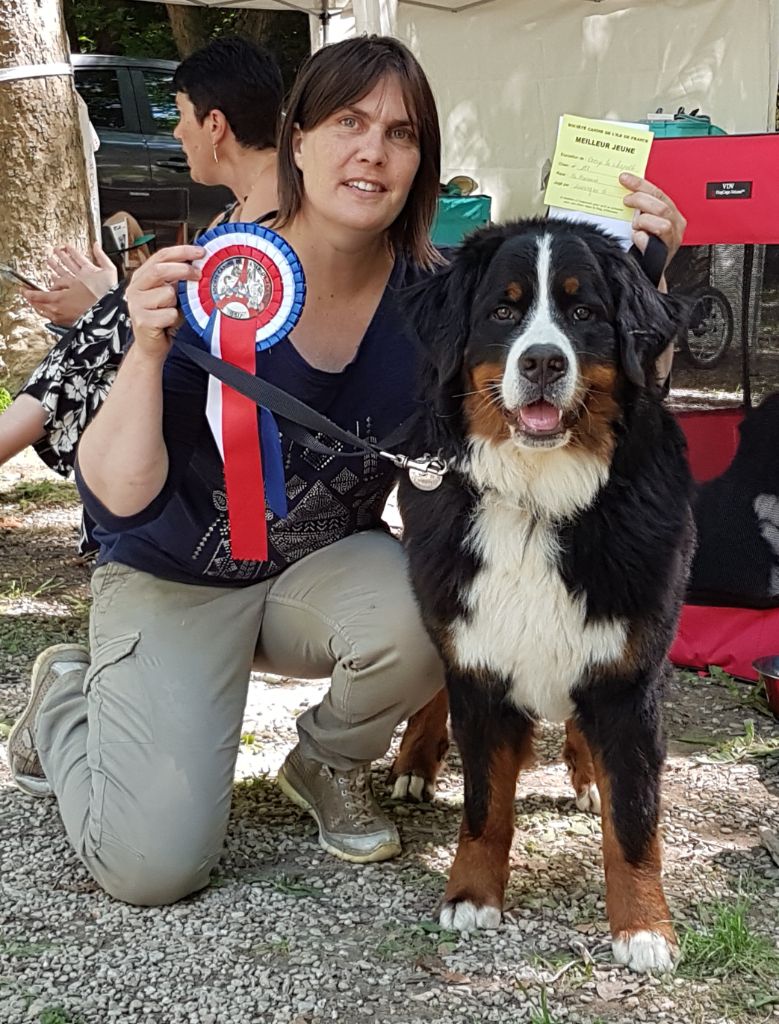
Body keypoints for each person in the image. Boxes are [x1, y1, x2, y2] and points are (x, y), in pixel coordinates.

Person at [7, 36, 687, 907]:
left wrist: (647, 269)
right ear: (295, 138)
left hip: (318, 572)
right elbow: (119, 492)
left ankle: (323, 762)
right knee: (154, 869)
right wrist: (142, 348)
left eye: (400, 134)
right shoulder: (201, 270)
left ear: (419, 164)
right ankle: (67, 700)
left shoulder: (442, 299)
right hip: (174, 573)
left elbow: (586, 407)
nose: (371, 150)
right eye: (347, 122)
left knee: (443, 612)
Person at [0, 36, 283, 474]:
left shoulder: (265, 225)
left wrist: (106, 305)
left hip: (223, 399)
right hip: (191, 375)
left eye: (180, 114)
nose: (175, 131)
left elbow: (210, 334)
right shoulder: (242, 210)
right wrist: (111, 298)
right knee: (105, 323)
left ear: (214, 125)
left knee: (100, 331)